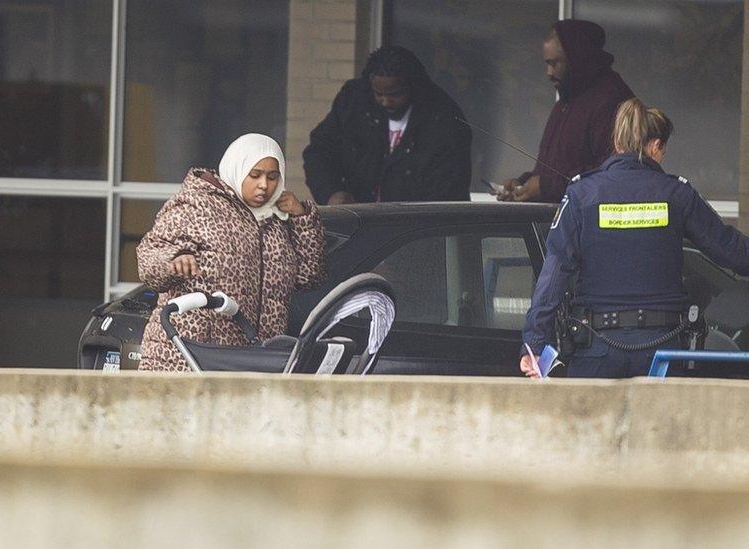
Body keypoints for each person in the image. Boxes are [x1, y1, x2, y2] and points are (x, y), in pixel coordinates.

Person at [520, 99, 749, 379]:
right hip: (661, 351)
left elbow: (554, 274)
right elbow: (730, 250)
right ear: (653, 147)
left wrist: (533, 344)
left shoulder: (582, 194)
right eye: (663, 151)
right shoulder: (676, 194)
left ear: (616, 142)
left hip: (596, 346)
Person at [136, 134, 326, 372]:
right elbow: (148, 259)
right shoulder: (198, 205)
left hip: (250, 360)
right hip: (189, 357)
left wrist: (302, 219)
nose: (264, 185)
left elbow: (309, 278)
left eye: (273, 177)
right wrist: (172, 262)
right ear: (237, 169)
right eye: (255, 175)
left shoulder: (278, 218)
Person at [303, 45, 471, 205]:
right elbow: (319, 151)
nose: (386, 101)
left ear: (413, 86)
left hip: (417, 227)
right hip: (356, 221)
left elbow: (447, 192)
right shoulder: (354, 101)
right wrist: (331, 193)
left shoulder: (444, 119)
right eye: (378, 93)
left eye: (395, 94)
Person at [499, 20, 633, 203]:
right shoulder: (567, 101)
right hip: (564, 221)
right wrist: (523, 184)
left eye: (555, 63)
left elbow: (612, 172)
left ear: (578, 57)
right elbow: (554, 169)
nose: (548, 72)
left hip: (590, 225)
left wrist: (545, 186)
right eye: (547, 63)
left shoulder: (611, 100)